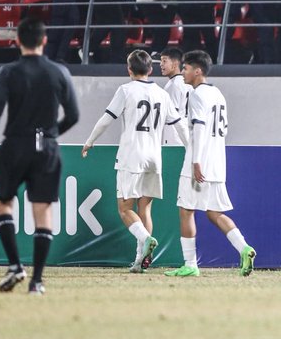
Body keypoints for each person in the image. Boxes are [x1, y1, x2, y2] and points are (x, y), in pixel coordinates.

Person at [0, 17, 80, 295]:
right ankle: (37, 282)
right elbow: (74, 115)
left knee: (3, 203)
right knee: (43, 212)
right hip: (47, 147)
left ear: (17, 40)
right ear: (44, 41)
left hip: (15, 145)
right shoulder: (59, 72)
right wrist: (50, 134)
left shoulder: (8, 72)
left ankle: (15, 266)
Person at [81, 50, 188, 272]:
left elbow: (106, 119)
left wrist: (90, 140)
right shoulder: (162, 94)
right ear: (150, 69)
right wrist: (192, 149)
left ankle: (146, 239)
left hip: (132, 156)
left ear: (129, 69)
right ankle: (140, 261)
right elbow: (179, 124)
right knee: (144, 209)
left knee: (124, 209)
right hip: (154, 157)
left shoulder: (126, 90)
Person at [165, 50, 258, 278]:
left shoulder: (197, 95)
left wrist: (196, 161)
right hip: (217, 162)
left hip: (199, 162)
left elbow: (199, 128)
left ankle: (190, 264)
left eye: (186, 68)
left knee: (186, 210)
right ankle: (244, 248)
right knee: (215, 213)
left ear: (198, 71)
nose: (183, 72)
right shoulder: (218, 94)